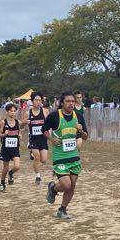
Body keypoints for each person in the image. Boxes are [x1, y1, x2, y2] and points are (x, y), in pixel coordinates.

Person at [43, 92, 87, 220]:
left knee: (72, 186)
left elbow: (85, 137)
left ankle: (62, 209)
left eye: (73, 101)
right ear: (62, 103)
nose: (71, 104)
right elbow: (44, 130)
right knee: (66, 185)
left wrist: (81, 131)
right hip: (60, 157)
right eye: (68, 101)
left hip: (74, 156)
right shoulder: (54, 116)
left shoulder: (78, 117)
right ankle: (53, 188)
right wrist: (52, 139)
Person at [25, 92, 50, 185]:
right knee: (37, 157)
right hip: (33, 139)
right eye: (36, 100)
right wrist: (25, 123)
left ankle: (33, 156)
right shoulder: (28, 113)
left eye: (40, 100)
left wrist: (49, 134)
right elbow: (21, 126)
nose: (38, 102)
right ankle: (38, 176)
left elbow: (49, 124)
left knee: (44, 160)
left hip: (43, 139)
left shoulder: (45, 111)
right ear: (32, 101)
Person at [0, 102, 22, 190]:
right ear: (7, 112)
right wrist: (4, 134)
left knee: (17, 166)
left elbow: (19, 132)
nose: (13, 113)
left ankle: (11, 173)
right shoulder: (3, 122)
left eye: (14, 111)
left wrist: (20, 135)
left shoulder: (18, 122)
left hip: (15, 148)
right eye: (11, 111)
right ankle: (2, 182)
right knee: (5, 168)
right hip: (6, 148)